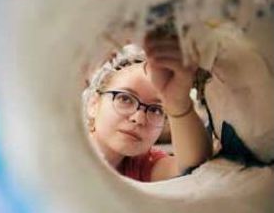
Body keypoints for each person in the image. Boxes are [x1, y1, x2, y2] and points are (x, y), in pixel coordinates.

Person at [82, 40, 212, 182]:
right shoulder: (62, 149)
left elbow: (193, 167)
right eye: (125, 99)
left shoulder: (143, 165)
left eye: (156, 110)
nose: (139, 118)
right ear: (93, 104)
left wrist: (178, 104)